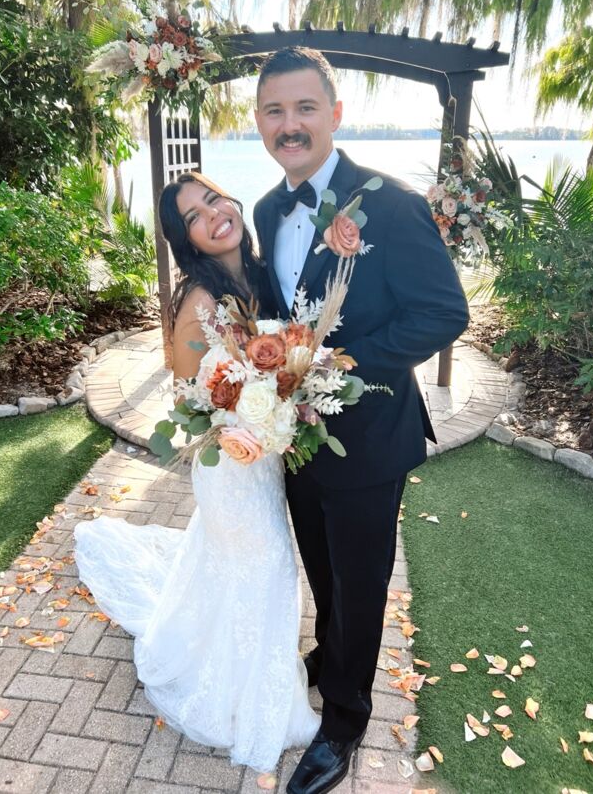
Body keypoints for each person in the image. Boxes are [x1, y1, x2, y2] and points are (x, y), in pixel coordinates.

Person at [253, 47, 469, 794]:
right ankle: (332, 654)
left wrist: (337, 365)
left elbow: (443, 312)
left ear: (335, 114)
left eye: (304, 108)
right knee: (323, 568)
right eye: (274, 111)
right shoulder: (266, 209)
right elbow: (280, 308)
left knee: (362, 582)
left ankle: (345, 720)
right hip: (297, 439)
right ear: (259, 121)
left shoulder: (391, 204)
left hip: (370, 437)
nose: (289, 125)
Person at [74, 172, 319, 773]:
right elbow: (190, 399)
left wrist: (290, 399)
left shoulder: (259, 276)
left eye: (213, 200)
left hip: (265, 462)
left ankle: (248, 667)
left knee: (248, 571)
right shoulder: (200, 301)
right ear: (188, 241)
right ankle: (250, 699)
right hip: (232, 469)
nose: (213, 216)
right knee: (268, 565)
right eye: (194, 218)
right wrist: (252, 416)